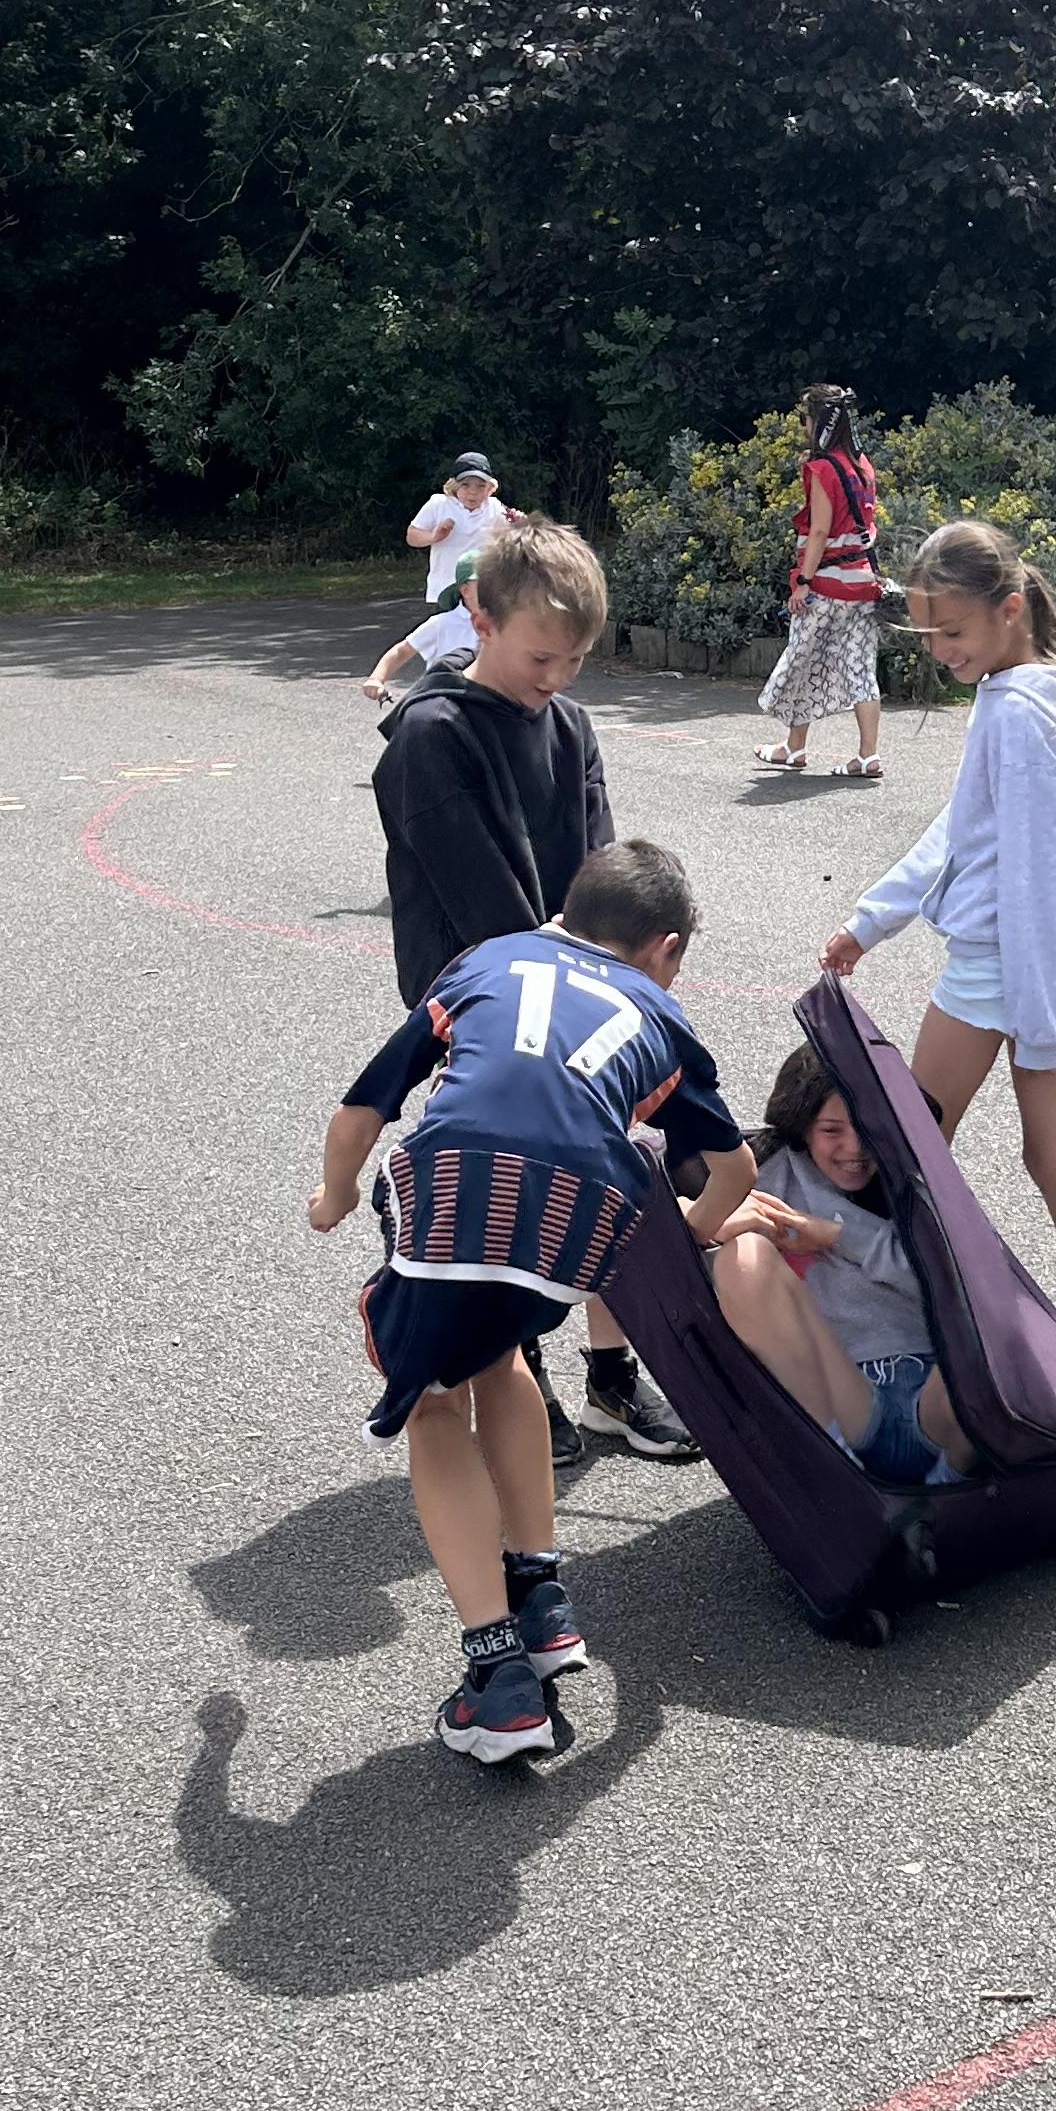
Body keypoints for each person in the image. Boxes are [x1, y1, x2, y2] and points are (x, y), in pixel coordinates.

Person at [310, 840, 752, 1763]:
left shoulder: (487, 961)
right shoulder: (660, 1015)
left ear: (566, 914)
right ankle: (541, 1594)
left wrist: (335, 1195)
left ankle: (497, 1677)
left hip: (458, 1187)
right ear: (665, 947)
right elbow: (734, 1169)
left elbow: (364, 1109)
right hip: (575, 1222)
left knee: (435, 1403)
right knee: (500, 1353)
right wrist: (694, 1230)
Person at [371, 518, 697, 1464]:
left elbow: (601, 878)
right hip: (483, 1003)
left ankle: (611, 1380)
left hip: (581, 990)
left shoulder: (571, 725)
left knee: (612, 1169)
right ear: (480, 617)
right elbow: (487, 913)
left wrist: (623, 975)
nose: (557, 677)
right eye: (541, 657)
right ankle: (523, 1379)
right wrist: (578, 985)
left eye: (576, 659)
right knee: (507, 1194)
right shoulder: (431, 738)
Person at [819, 515, 1056, 1434]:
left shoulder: (1015, 711)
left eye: (953, 632)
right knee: (1055, 1160)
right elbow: (967, 831)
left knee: (910, 1156)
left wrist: (1033, 1023)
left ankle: (909, 1350)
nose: (940, 652)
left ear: (1010, 610)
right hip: (1049, 961)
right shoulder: (1052, 691)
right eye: (928, 635)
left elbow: (1038, 878)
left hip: (1007, 967)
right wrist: (873, 918)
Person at [712, 1042, 973, 1487]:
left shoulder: (911, 1178)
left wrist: (836, 1234)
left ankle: (946, 1494)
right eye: (832, 1130)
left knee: (991, 1318)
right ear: (802, 1126)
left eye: (868, 1128)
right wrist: (711, 1224)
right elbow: (655, 1198)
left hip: (937, 1400)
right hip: (846, 1397)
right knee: (743, 1255)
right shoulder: (767, 1170)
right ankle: (840, 1471)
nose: (855, 1148)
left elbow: (961, 1288)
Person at [753, 384, 886, 781]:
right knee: (860, 668)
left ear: (819, 422)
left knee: (803, 660)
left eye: (805, 419)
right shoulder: (863, 466)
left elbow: (819, 531)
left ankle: (794, 747)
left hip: (827, 584)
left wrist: (803, 582)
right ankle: (868, 755)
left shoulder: (821, 469)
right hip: (864, 584)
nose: (804, 426)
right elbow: (868, 525)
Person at [402, 452, 511, 605]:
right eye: (465, 485)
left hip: (482, 593)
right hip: (444, 591)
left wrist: (520, 523)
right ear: (454, 485)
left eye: (480, 486)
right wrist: (434, 537)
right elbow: (412, 536)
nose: (473, 492)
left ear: (489, 488)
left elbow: (516, 537)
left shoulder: (495, 507)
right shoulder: (439, 504)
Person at [362, 571, 479, 709]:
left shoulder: (500, 623)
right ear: (465, 590)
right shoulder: (442, 623)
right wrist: (377, 679)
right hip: (443, 706)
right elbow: (401, 651)